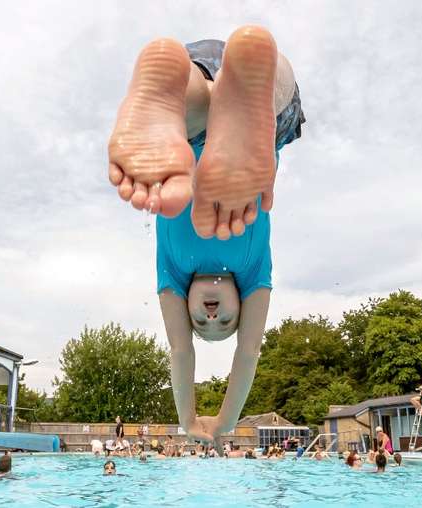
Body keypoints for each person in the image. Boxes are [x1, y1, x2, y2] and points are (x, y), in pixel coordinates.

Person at [107, 26, 304, 451]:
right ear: (241, 303)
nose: (210, 315)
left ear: (186, 307)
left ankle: (176, 95)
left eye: (200, 322)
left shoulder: (172, 273)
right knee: (276, 112)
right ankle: (236, 106)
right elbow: (248, 354)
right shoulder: (254, 272)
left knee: (194, 111)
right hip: (261, 93)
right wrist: (225, 421)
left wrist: (189, 419)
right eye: (226, 321)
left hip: (194, 87)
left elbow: (180, 353)